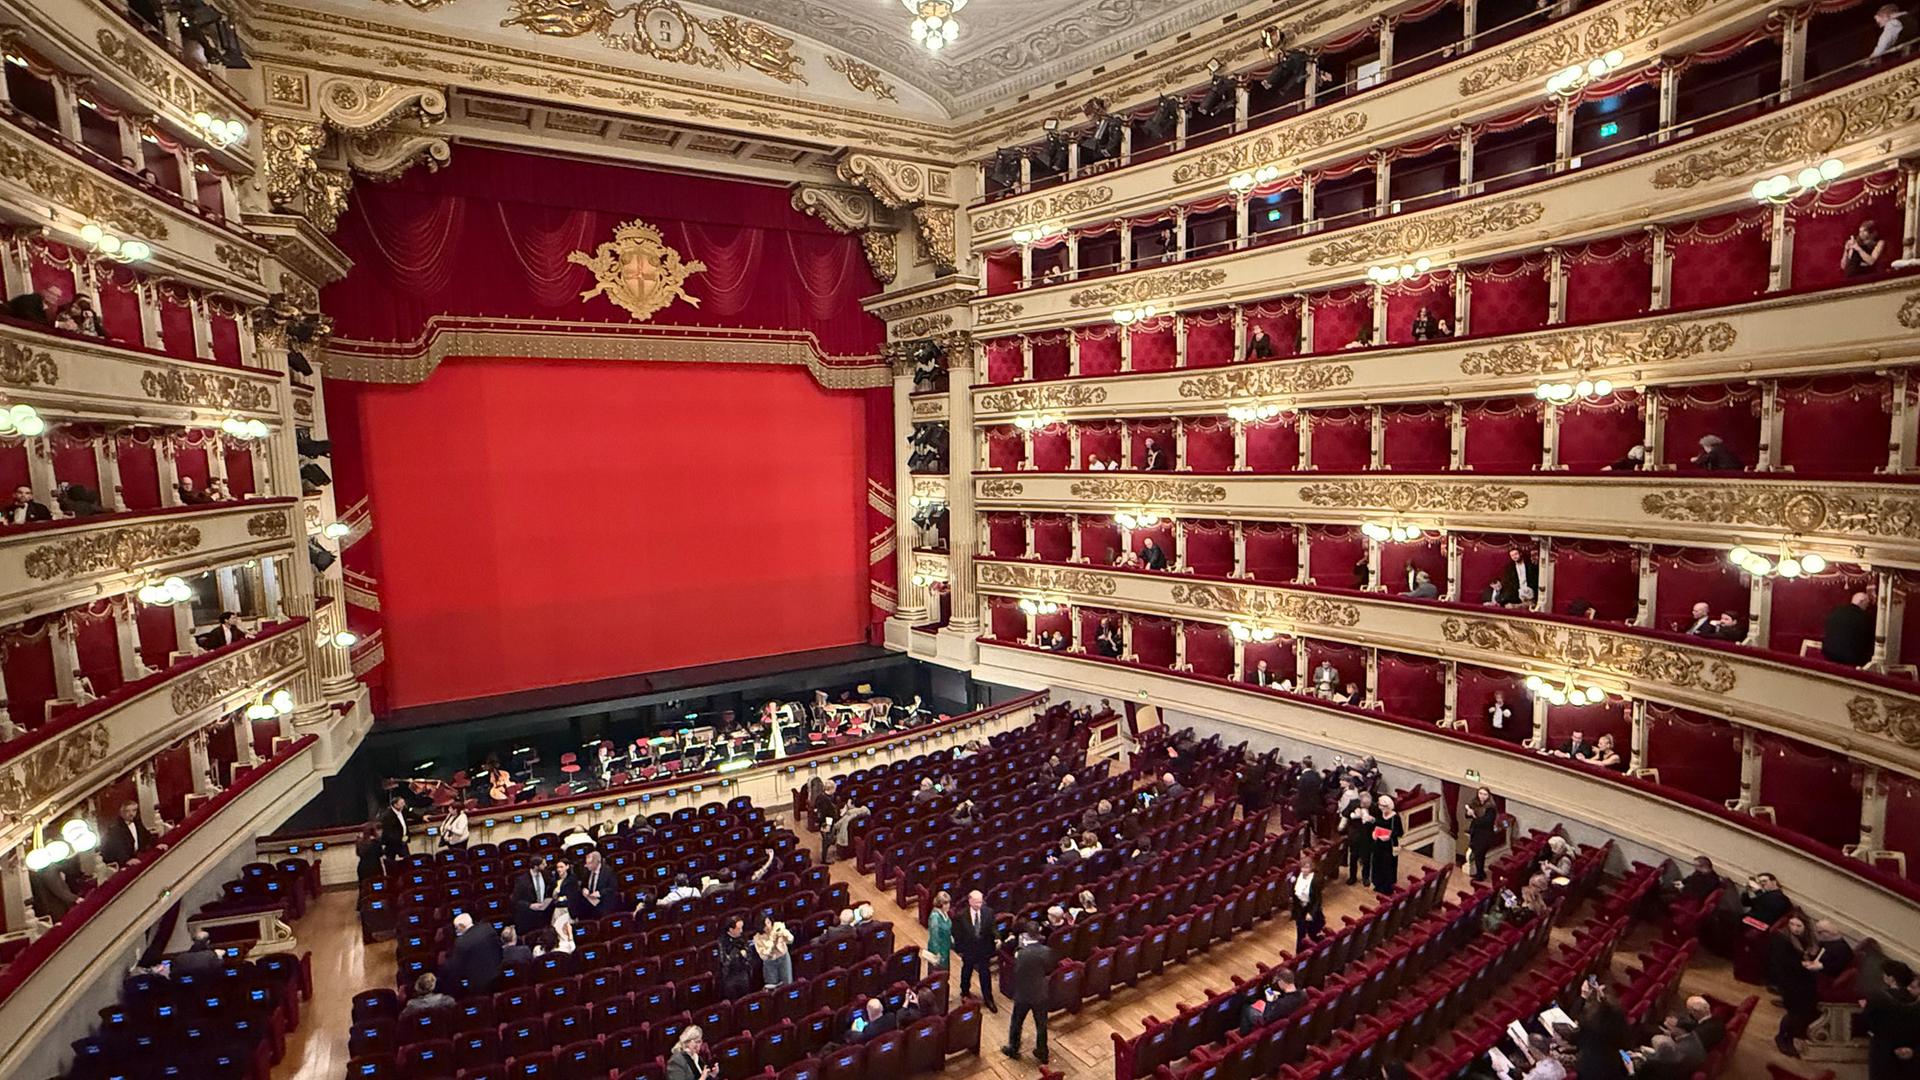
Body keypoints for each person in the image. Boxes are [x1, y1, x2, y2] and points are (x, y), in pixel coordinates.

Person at [1003, 924, 1055, 1063]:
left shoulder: (1021, 953)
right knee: (1041, 1024)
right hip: (1040, 992)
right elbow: (1049, 968)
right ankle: (1042, 1052)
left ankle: (1013, 1049)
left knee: (1017, 1022)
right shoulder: (1046, 951)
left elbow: (1016, 972)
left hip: (1024, 993)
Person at [1861, 959, 1920, 1080]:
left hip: (1883, 1051)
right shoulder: (1916, 1002)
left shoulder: (1878, 997)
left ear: (1891, 978)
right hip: (1910, 1052)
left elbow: (1866, 1022)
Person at [1771, 914, 1819, 1055]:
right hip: (1790, 982)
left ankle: (1790, 1036)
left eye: (1799, 926)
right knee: (1793, 1013)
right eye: (1792, 924)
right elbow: (1782, 962)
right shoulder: (1782, 939)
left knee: (1799, 1013)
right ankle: (1783, 1038)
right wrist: (1804, 964)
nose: (1795, 928)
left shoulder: (1807, 940)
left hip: (1804, 982)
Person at [1572, 978, 1630, 1079]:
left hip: (1590, 1067)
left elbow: (1574, 1019)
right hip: (1611, 1065)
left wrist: (1583, 997)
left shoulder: (1590, 1024)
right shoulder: (1619, 1020)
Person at [953, 889, 999, 1011]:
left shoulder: (989, 912)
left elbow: (993, 928)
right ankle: (965, 991)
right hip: (969, 951)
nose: (979, 905)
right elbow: (957, 935)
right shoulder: (961, 916)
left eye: (980, 902)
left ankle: (988, 998)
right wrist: (960, 950)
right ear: (970, 901)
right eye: (976, 902)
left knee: (985, 974)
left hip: (984, 950)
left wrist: (997, 938)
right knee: (966, 972)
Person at [443, 912, 503, 995]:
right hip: (497, 973)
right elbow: (499, 948)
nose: (456, 931)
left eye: (457, 928)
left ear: (461, 926)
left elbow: (458, 967)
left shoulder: (461, 942)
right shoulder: (487, 928)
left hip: (479, 982)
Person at [1241, 969, 1306, 1035]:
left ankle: (1243, 1035)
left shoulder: (1281, 1004)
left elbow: (1266, 1018)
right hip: (1285, 1017)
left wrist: (1270, 1001)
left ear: (1282, 981)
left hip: (1270, 1020)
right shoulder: (1303, 994)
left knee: (1247, 1007)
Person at [1823, 591, 1876, 667]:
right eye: (1867, 604)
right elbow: (1867, 642)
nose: (1867, 607)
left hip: (1829, 655)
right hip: (1851, 661)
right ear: (1861, 601)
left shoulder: (1836, 611)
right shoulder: (1865, 618)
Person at [99, 800, 158, 865]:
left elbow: (147, 836)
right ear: (121, 812)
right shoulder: (115, 828)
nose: (131, 814)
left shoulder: (137, 821)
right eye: (127, 811)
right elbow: (118, 848)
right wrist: (126, 860)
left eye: (134, 810)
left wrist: (157, 844)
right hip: (120, 863)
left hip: (136, 857)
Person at [1369, 794, 1404, 895]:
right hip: (1378, 843)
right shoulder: (1379, 814)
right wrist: (1373, 833)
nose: (1381, 808)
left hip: (1389, 845)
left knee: (1387, 865)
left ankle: (1387, 888)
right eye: (1380, 805)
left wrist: (1389, 835)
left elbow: (1399, 832)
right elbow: (1376, 825)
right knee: (1377, 864)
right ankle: (1378, 884)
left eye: (1383, 806)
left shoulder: (1395, 818)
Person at [511, 860, 556, 933]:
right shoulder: (522, 880)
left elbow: (552, 886)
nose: (546, 865)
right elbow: (515, 900)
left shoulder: (546, 874)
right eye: (543, 864)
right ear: (536, 866)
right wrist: (530, 905)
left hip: (545, 913)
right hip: (530, 916)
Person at [1290, 853, 1325, 946]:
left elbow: (1317, 900)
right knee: (1300, 932)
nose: (1304, 870)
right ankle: (1299, 953)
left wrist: (1311, 913)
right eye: (1303, 868)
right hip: (1300, 909)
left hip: (1311, 908)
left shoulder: (1315, 881)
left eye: (1307, 868)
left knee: (1312, 931)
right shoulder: (1297, 877)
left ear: (1311, 868)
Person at [1464, 786, 1499, 882]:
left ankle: (1480, 874)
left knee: (1480, 854)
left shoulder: (1491, 808)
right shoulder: (1475, 803)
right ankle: (1480, 872)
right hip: (1476, 833)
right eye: (1480, 793)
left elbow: (1487, 822)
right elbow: (1466, 815)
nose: (1482, 796)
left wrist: (1475, 817)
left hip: (1485, 834)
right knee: (1477, 854)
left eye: (1484, 794)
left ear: (1488, 795)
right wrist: (1469, 813)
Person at [716, 914, 755, 999]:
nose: (741, 931)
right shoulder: (722, 942)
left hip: (743, 972)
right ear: (731, 929)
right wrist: (736, 952)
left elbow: (749, 954)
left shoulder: (743, 937)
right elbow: (724, 962)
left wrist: (745, 955)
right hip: (730, 976)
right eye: (739, 929)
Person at [1345, 795, 1374, 886]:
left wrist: (1372, 820)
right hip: (1355, 836)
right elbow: (1344, 813)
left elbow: (1378, 820)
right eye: (1364, 804)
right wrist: (1352, 814)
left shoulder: (1374, 807)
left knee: (1366, 859)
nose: (1366, 806)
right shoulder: (1353, 804)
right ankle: (1352, 877)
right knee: (1353, 857)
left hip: (1367, 837)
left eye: (1368, 804)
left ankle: (1365, 878)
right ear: (1360, 801)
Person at [926, 890, 954, 970]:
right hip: (938, 948)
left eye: (948, 903)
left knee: (945, 970)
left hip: (946, 946)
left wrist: (950, 936)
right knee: (937, 971)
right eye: (945, 903)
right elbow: (934, 936)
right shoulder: (935, 917)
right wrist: (936, 952)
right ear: (939, 904)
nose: (948, 905)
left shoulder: (945, 913)